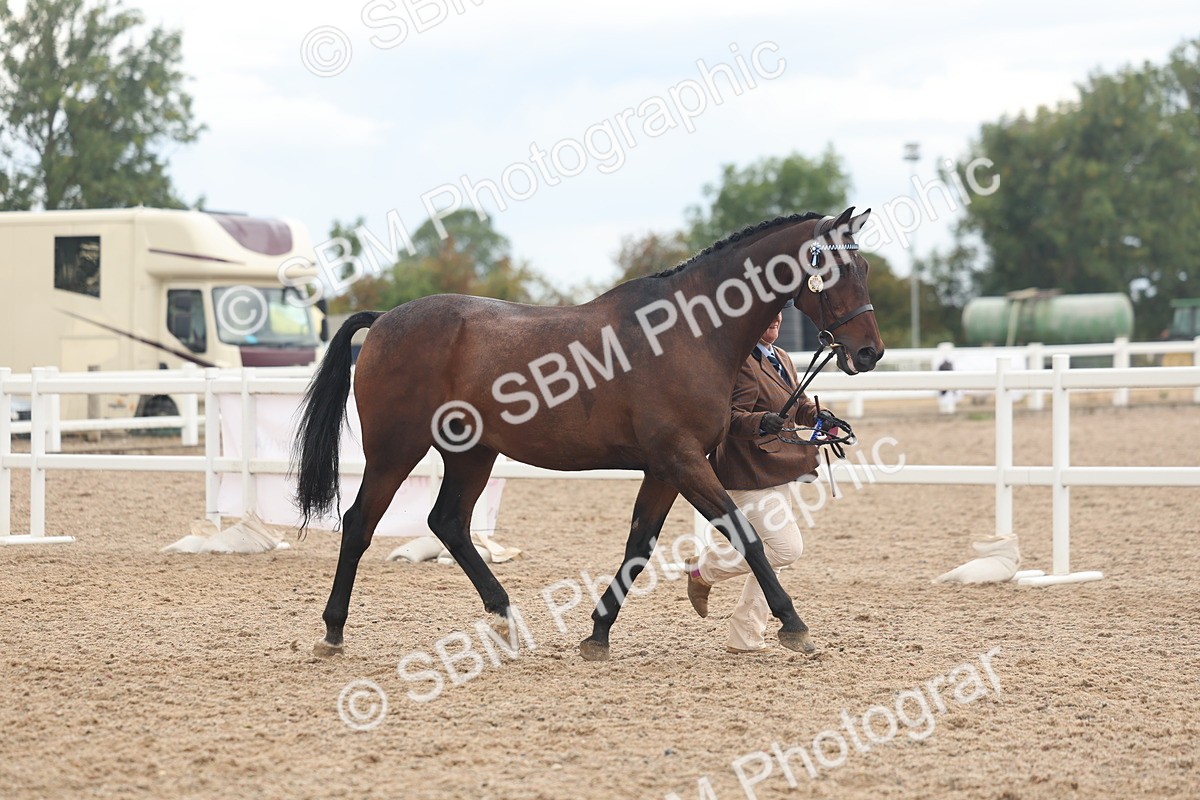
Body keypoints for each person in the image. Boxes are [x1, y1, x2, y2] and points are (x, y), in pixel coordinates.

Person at [684, 310, 834, 654]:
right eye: (766, 314)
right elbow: (726, 418)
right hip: (746, 473)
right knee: (786, 549)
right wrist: (759, 421)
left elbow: (794, 404)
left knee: (776, 557)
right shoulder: (738, 360)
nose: (775, 319)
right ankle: (704, 568)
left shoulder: (779, 356)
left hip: (779, 468)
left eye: (778, 313)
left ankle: (745, 637)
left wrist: (817, 416)